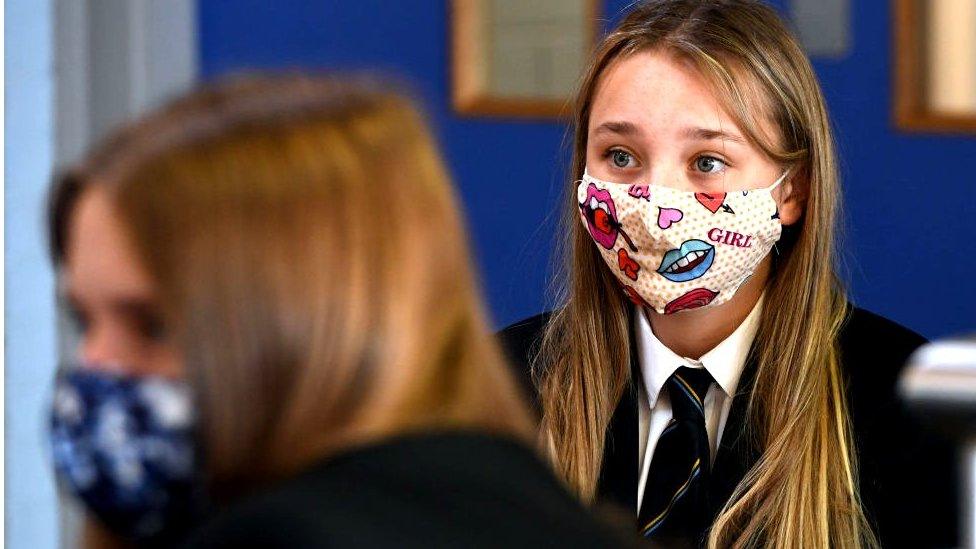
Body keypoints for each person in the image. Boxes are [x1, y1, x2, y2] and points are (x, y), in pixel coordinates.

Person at [47, 75, 633, 548]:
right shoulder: (550, 512)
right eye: (85, 321)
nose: (94, 363)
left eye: (154, 326)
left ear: (306, 318)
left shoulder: (279, 537)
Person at [500, 1, 959, 547]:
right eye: (620, 156)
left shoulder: (912, 410)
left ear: (792, 190)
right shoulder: (501, 390)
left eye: (707, 162)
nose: (657, 205)